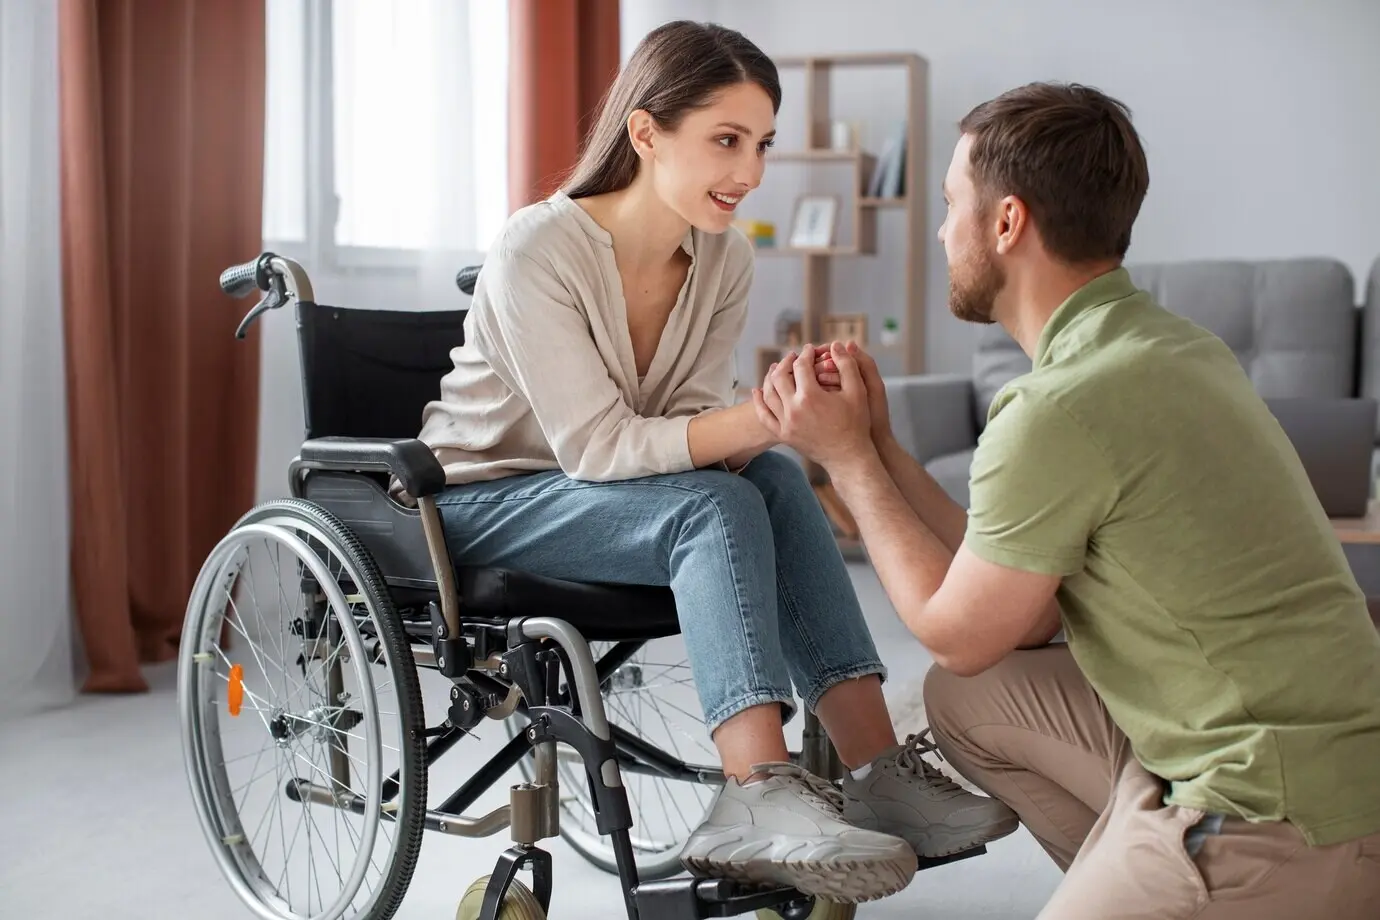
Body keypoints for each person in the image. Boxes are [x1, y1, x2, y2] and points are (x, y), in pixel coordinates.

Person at [414, 19, 1016, 904]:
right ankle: (755, 795)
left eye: (763, 144)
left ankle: (877, 770)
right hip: (484, 500)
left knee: (770, 479)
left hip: (598, 497)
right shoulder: (537, 248)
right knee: (716, 505)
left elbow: (696, 424)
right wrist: (763, 416)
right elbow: (599, 444)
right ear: (646, 133)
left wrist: (784, 411)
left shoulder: (723, 255)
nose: (752, 171)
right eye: (727, 141)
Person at [756, 80, 1380, 918]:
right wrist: (883, 448)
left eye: (951, 204)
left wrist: (845, 461)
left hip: (1269, 813)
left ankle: (1202, 878)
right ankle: (1136, 871)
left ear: (1007, 222)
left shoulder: (1056, 408)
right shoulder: (1176, 348)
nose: (942, 232)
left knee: (961, 670)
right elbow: (1018, 614)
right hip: (1345, 766)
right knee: (968, 702)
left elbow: (956, 633)